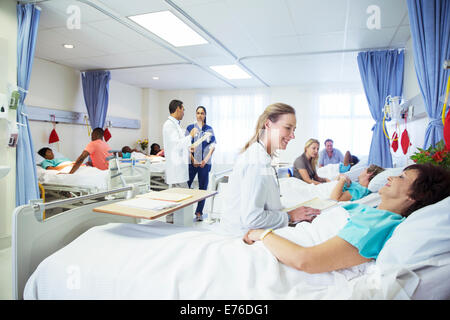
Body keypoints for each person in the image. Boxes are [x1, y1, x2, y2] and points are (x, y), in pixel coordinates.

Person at [243, 163, 450, 273]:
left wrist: (262, 234)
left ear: (415, 196)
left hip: (275, 253)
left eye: (402, 177)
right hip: (280, 242)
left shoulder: (377, 224)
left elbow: (305, 260)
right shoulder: (371, 210)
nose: (390, 177)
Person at [219, 103, 321, 236]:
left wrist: (295, 212)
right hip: (241, 237)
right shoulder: (257, 162)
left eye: (294, 130)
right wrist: (289, 216)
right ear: (268, 125)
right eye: (288, 128)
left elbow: (266, 205)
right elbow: (252, 219)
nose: (292, 136)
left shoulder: (263, 156)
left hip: (252, 232)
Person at [186, 106, 216, 221]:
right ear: (195, 114)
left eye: (202, 113)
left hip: (205, 163)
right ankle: (185, 211)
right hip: (191, 163)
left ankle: (199, 212)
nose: (200, 115)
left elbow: (213, 147)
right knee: (186, 186)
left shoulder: (209, 129)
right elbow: (186, 146)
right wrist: (193, 159)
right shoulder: (190, 128)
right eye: (198, 113)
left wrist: (205, 160)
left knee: (202, 188)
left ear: (205, 115)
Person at [162, 99, 198, 188]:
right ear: (178, 109)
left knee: (181, 198)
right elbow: (176, 145)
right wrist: (190, 136)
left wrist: (189, 148)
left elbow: (179, 144)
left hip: (179, 171)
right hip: (177, 171)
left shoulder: (175, 125)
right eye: (183, 109)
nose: (184, 112)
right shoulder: (169, 125)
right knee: (184, 198)